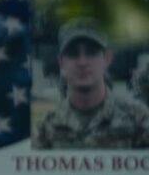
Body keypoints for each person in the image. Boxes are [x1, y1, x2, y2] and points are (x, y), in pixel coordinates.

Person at [32, 21, 149, 149]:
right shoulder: (47, 125)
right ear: (61, 62)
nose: (82, 62)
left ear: (107, 59)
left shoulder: (138, 119)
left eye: (92, 52)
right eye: (72, 53)